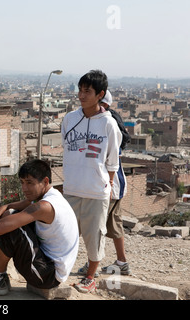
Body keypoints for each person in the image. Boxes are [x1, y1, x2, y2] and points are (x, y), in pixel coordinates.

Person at [0, 159, 79, 297]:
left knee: (10, 226)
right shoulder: (47, 196)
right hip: (44, 264)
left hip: (48, 275)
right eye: (22, 182)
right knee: (10, 215)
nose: (24, 188)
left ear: (45, 182)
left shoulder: (45, 206)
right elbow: (7, 207)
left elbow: (1, 227)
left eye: (30, 183)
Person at [61, 70, 122, 293]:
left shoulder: (109, 124)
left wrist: (106, 187)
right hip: (71, 189)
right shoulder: (69, 119)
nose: (81, 95)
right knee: (64, 234)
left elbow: (112, 162)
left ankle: (90, 277)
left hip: (96, 192)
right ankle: (58, 272)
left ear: (100, 94)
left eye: (87, 91)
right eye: (80, 90)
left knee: (95, 236)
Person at [99, 90, 132, 276]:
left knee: (98, 226)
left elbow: (109, 158)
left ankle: (92, 266)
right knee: (113, 224)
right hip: (116, 184)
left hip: (111, 185)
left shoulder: (107, 123)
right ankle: (122, 262)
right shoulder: (109, 120)